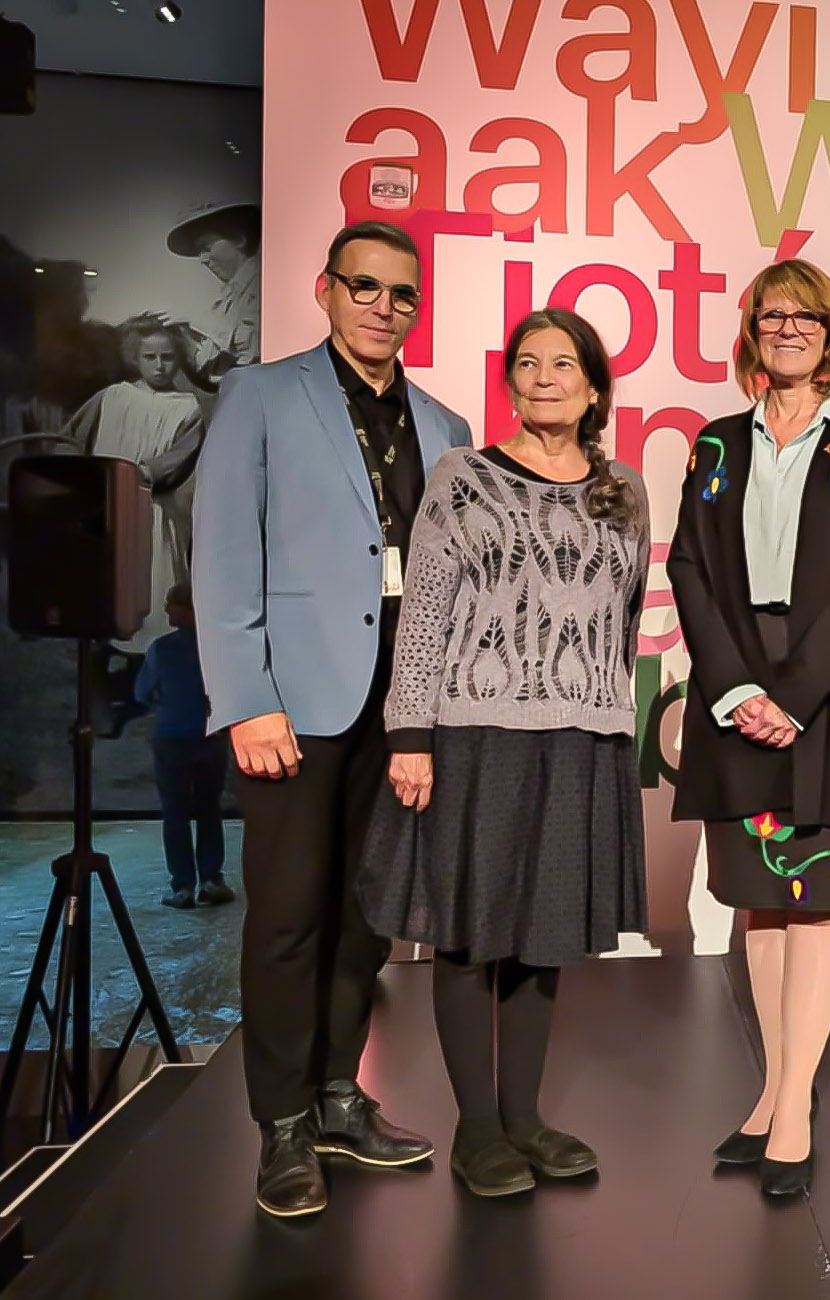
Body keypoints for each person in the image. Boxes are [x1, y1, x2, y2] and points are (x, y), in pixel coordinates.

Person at [192, 220, 471, 1217]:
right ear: (324, 289)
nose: (382, 306)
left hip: (401, 706)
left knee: (368, 917)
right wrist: (248, 697)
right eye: (364, 286)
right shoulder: (260, 397)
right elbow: (223, 556)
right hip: (295, 706)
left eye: (401, 292)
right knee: (286, 918)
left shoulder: (446, 427)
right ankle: (281, 1127)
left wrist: (430, 720)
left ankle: (339, 1096)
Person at [357, 308, 649, 1197]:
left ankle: (525, 1119)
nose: (544, 376)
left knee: (542, 936)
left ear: (594, 387)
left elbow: (624, 621)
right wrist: (410, 733)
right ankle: (477, 1131)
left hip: (580, 737)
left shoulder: (624, 489)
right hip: (473, 732)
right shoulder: (464, 476)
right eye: (528, 363)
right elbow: (426, 613)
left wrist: (608, 718)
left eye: (565, 363)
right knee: (468, 934)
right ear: (511, 381)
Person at [666, 258, 830, 1197]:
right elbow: (688, 566)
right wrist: (732, 688)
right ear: (753, 330)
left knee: (819, 901)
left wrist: (795, 696)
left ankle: (796, 1106)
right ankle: (772, 1090)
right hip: (736, 688)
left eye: (807, 316)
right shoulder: (715, 445)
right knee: (760, 897)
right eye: (773, 315)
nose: (789, 328)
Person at [63, 316, 205, 653]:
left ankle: (144, 664)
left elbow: (179, 456)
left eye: (167, 357)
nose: (159, 366)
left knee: (149, 585)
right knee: (105, 583)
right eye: (150, 357)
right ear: (135, 358)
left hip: (149, 509)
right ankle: (99, 659)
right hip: (105, 506)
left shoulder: (187, 408)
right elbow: (70, 437)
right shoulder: (113, 397)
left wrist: (145, 471)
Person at [134, 583, 234, 910]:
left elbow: (142, 693)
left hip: (171, 739)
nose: (166, 611)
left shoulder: (160, 650)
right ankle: (210, 879)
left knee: (174, 813)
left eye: (171, 605)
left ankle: (182, 887)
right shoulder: (218, 649)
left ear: (189, 608)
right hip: (211, 738)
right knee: (209, 809)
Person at [166, 199, 261, 375]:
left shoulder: (265, 289)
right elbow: (212, 371)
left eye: (207, 248)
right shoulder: (225, 302)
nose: (202, 260)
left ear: (238, 240)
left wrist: (194, 322)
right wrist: (184, 335)